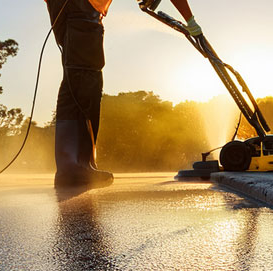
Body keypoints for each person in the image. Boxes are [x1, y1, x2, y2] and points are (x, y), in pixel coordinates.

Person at [46, 0, 202, 189]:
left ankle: (76, 165)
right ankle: (74, 167)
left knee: (78, 76)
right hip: (79, 6)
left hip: (70, 7)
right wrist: (190, 20)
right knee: (84, 76)